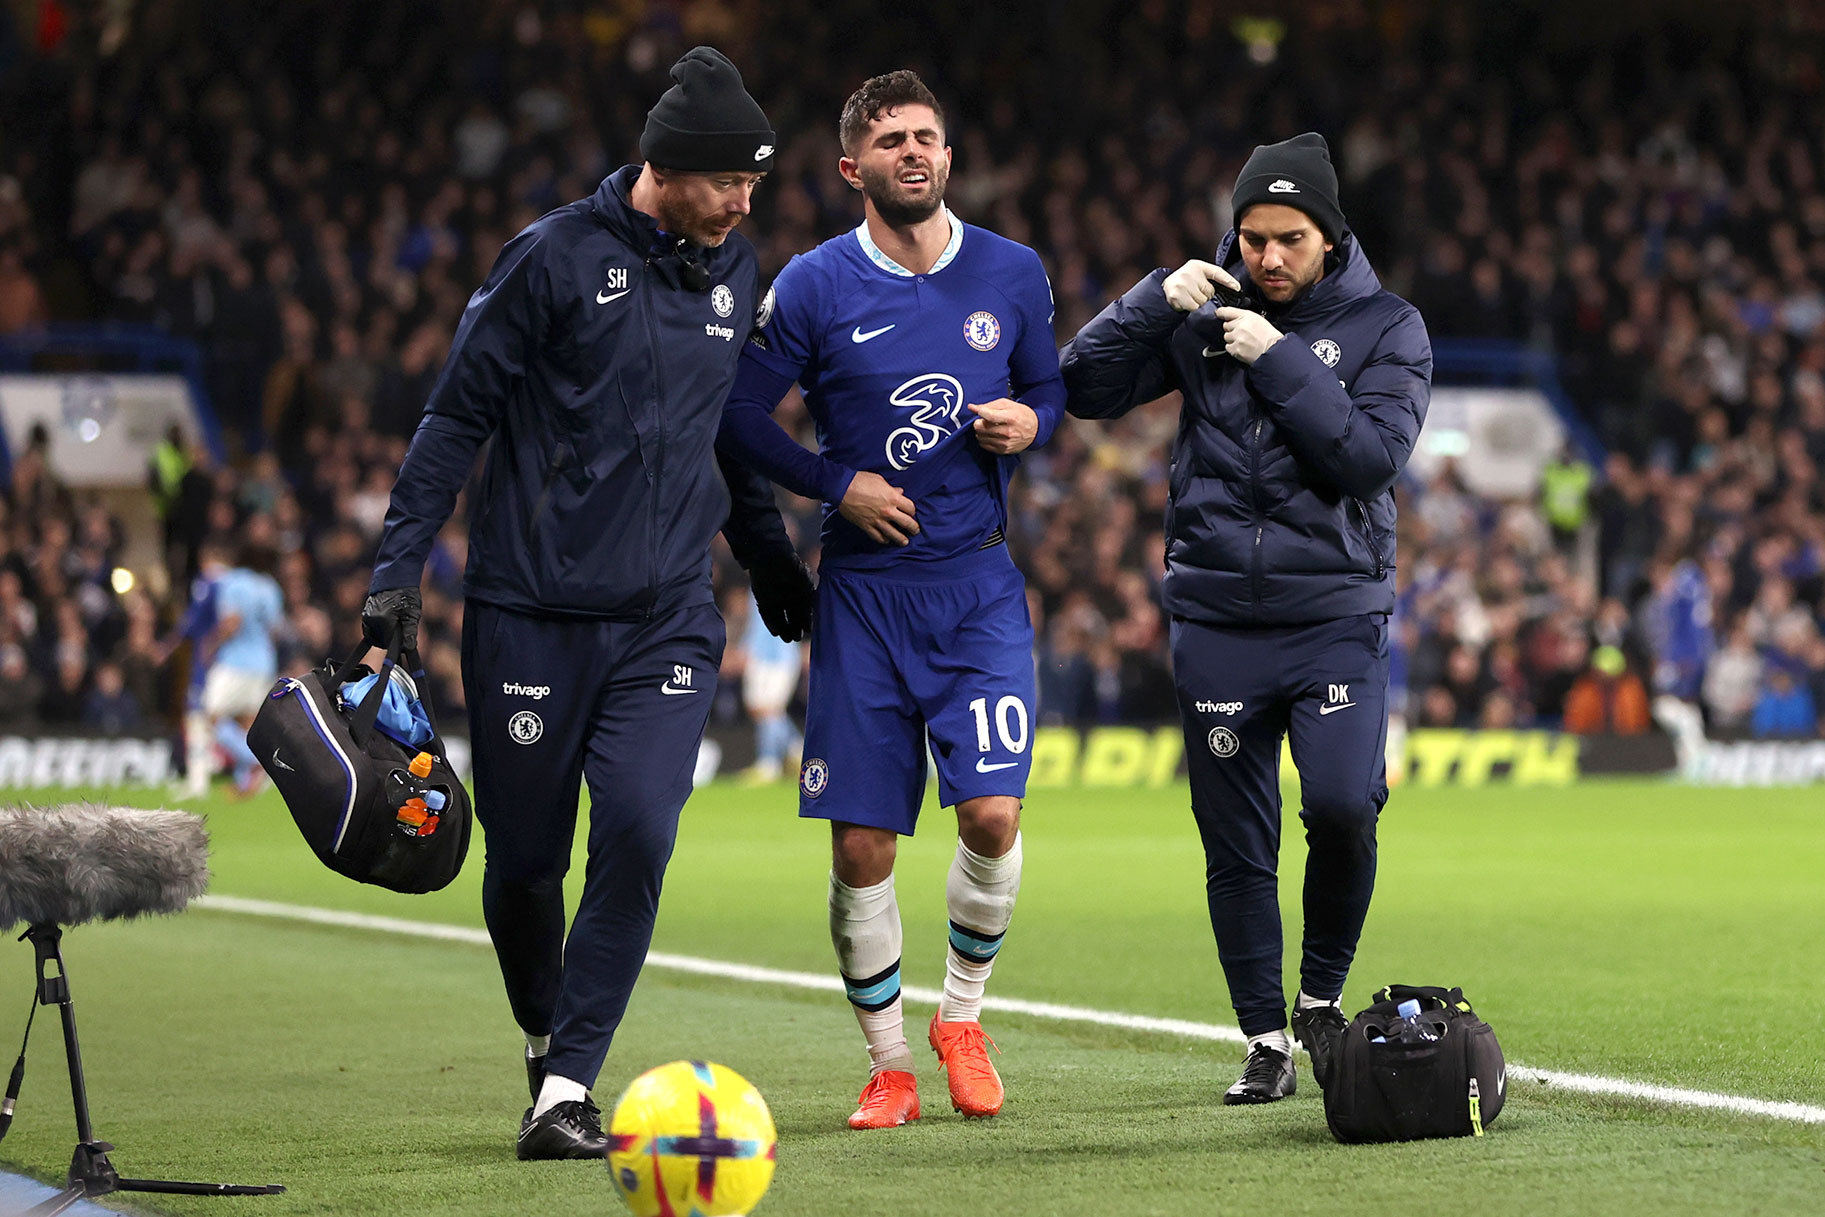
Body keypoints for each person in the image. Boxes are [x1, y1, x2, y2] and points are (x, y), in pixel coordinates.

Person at [359, 47, 815, 1160]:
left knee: (643, 828)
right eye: (729, 180)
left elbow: (724, 435)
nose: (747, 202)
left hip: (665, 614)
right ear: (665, 166)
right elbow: (452, 419)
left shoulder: (733, 271)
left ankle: (566, 1083)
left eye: (755, 182)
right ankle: (542, 1030)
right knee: (521, 865)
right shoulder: (552, 259)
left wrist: (765, 559)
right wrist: (392, 574)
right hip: (528, 612)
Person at [719, 71, 1065, 1129]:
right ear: (852, 167)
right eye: (891, 140)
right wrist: (835, 484)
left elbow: (1048, 384)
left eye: (928, 137)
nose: (913, 152)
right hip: (862, 597)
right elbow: (736, 416)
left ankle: (960, 1017)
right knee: (862, 843)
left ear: (948, 158)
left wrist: (1031, 422)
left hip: (976, 590)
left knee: (993, 813)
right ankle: (888, 1064)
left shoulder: (1012, 269)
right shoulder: (815, 285)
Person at [1061, 133, 1431, 1104]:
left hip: (1332, 615)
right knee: (1236, 842)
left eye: (1289, 238)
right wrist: (1151, 300)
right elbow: (1080, 389)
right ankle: (1266, 1037)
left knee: (1345, 806)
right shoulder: (1204, 315)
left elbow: (1368, 459)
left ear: (1328, 235)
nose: (1267, 258)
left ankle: (1320, 995)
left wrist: (1278, 360)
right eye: (1252, 237)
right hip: (1219, 617)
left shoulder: (1388, 325)